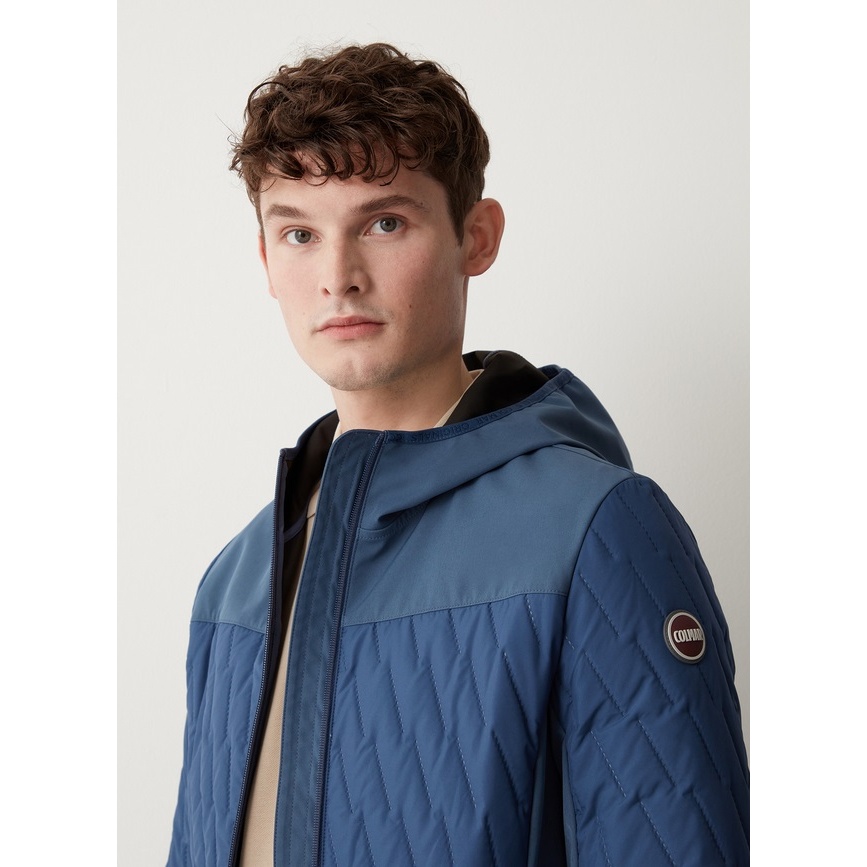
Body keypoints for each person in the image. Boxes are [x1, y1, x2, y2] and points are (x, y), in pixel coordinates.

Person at [166, 42, 749, 867]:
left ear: (475, 237)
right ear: (265, 258)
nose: (337, 276)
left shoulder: (597, 529)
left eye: (384, 222)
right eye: (298, 232)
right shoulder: (236, 579)